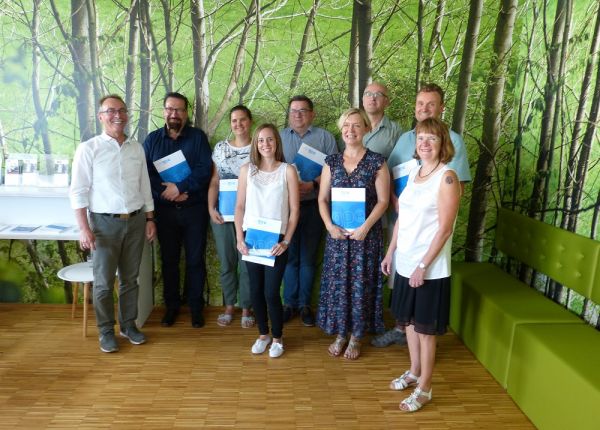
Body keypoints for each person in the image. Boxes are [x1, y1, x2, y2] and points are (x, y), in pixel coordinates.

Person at [373, 82, 471, 348]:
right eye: (420, 104)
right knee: (400, 278)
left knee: (423, 281)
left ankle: (419, 335)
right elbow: (390, 175)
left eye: (430, 104)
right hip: (402, 222)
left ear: (441, 108)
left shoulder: (453, 140)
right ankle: (402, 328)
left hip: (430, 229)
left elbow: (457, 187)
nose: (424, 109)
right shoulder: (406, 139)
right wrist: (397, 202)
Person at [381, 117, 460, 412]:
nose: (425, 144)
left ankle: (425, 387)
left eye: (432, 139)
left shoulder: (447, 177)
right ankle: (414, 372)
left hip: (429, 269)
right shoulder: (415, 172)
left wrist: (423, 266)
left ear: (443, 144)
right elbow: (403, 217)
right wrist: (391, 253)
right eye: (421, 138)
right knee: (410, 324)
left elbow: (445, 229)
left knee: (425, 331)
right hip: (405, 262)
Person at [70, 94, 157, 353]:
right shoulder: (89, 149)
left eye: (121, 110)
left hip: (136, 220)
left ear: (127, 115)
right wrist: (84, 227)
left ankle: (128, 325)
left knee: (131, 279)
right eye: (110, 111)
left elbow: (144, 186)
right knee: (104, 283)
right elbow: (78, 191)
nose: (117, 115)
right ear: (101, 117)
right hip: (103, 225)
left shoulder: (136, 148)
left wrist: (150, 218)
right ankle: (106, 331)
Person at [316, 108, 390, 360]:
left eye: (357, 125)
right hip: (337, 237)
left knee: (361, 285)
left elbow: (383, 201)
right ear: (341, 128)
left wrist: (365, 228)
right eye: (346, 125)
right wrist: (329, 226)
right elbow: (322, 199)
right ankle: (340, 333)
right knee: (339, 285)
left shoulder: (377, 162)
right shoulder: (332, 162)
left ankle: (357, 336)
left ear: (366, 128)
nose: (351, 130)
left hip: (365, 237)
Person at [143, 92, 212, 328]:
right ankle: (171, 306)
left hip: (194, 209)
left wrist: (181, 188)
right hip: (165, 212)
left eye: (179, 110)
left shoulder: (198, 138)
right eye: (170, 109)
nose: (174, 114)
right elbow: (146, 174)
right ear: (163, 111)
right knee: (169, 260)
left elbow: (204, 169)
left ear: (186, 112)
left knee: (195, 260)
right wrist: (167, 192)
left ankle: (195, 307)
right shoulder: (152, 140)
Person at [234, 124, 299, 358]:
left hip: (276, 242)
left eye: (270, 140)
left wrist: (286, 242)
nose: (265, 144)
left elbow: (294, 211)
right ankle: (263, 334)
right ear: (255, 144)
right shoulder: (246, 171)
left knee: (272, 292)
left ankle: (278, 338)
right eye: (261, 140)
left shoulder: (288, 170)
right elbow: (239, 206)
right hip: (251, 240)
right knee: (255, 291)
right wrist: (240, 239)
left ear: (277, 143)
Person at [280, 95, 337, 327]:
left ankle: (304, 305)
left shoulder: (325, 138)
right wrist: (292, 187)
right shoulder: (280, 137)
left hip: (315, 206)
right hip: (286, 209)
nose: (298, 114)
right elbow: (270, 168)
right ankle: (288, 304)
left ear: (312, 114)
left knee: (308, 259)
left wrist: (312, 184)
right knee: (288, 257)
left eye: (303, 110)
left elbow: (335, 169)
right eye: (293, 110)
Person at [208, 105, 254, 328]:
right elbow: (215, 181)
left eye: (242, 120)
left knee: (247, 263)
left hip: (251, 216)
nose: (238, 124)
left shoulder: (259, 146)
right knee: (227, 262)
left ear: (250, 121)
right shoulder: (220, 148)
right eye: (234, 120)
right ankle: (229, 306)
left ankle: (246, 307)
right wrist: (211, 208)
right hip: (223, 217)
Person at [361, 82, 402, 160]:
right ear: (362, 100)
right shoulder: (350, 127)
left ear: (386, 102)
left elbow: (400, 164)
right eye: (368, 94)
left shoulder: (396, 131)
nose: (372, 98)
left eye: (378, 94)